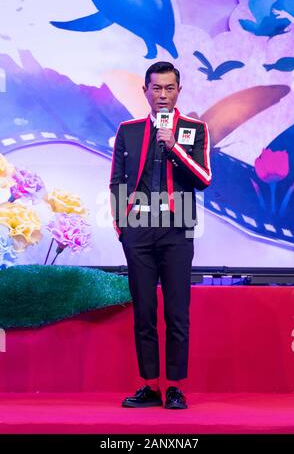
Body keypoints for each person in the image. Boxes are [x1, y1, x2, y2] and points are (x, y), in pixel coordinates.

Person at [109, 61, 211, 409]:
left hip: (178, 226)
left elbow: (203, 178)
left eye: (169, 88)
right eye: (156, 88)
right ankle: (150, 386)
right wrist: (123, 227)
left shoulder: (193, 129)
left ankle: (176, 387)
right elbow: (117, 180)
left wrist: (174, 148)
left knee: (177, 311)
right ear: (146, 91)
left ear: (179, 90)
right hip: (138, 228)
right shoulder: (129, 130)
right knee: (144, 310)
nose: (163, 95)